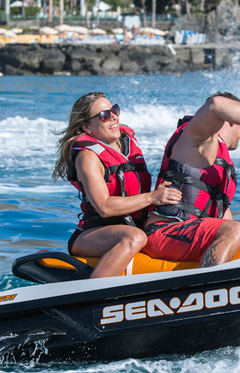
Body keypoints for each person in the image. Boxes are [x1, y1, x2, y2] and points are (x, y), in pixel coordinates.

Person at [143, 92, 240, 268]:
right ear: (231, 119)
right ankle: (207, 286)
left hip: (190, 234)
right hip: (164, 233)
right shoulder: (198, 139)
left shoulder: (220, 163)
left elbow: (224, 221)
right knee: (235, 230)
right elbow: (216, 104)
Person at [52, 92, 182, 278]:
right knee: (135, 237)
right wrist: (153, 197)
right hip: (94, 233)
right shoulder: (87, 157)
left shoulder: (127, 143)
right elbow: (104, 207)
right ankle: (91, 296)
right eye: (104, 115)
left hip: (136, 225)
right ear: (87, 127)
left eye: (114, 110)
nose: (113, 116)